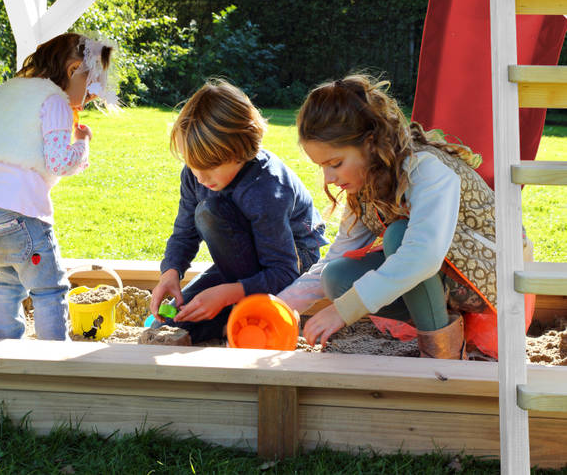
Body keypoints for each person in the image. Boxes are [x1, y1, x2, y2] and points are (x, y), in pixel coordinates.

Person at [277, 74, 534, 360]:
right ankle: (443, 324)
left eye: (335, 164)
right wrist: (281, 305)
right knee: (336, 277)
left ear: (371, 143)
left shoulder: (425, 169)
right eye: (322, 167)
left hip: (497, 273)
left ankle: (442, 356)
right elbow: (339, 254)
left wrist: (344, 310)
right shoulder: (364, 187)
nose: (329, 177)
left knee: (400, 236)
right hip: (445, 273)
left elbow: (423, 255)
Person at [0, 33, 116, 341]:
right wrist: (82, 144)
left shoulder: (2, 93)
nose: (92, 96)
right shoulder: (53, 99)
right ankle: (54, 355)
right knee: (49, 288)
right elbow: (58, 161)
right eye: (92, 83)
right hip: (18, 210)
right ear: (72, 71)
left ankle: (2, 347)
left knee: (7, 280)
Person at [149, 79, 328, 343]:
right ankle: (233, 314)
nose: (199, 176)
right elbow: (184, 232)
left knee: (210, 213)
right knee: (176, 320)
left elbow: (284, 271)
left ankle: (242, 311)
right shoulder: (196, 173)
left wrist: (226, 293)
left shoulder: (266, 187)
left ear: (242, 150)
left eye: (210, 166)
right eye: (192, 164)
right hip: (241, 261)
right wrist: (171, 271)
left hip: (292, 260)